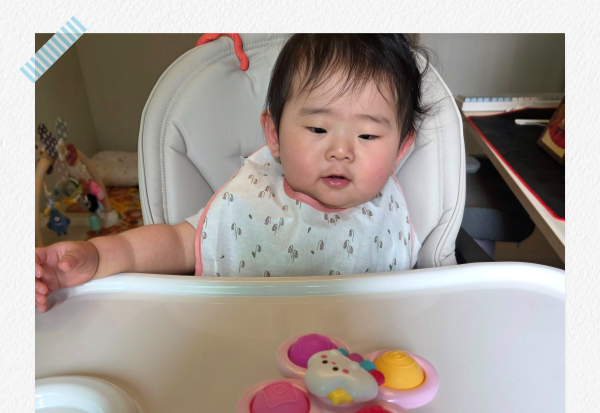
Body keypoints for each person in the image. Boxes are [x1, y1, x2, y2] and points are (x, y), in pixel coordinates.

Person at [35, 34, 430, 312]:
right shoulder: (249, 200)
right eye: (317, 129)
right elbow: (173, 243)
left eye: (367, 135)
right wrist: (96, 257)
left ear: (401, 148)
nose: (341, 151)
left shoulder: (390, 216)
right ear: (274, 135)